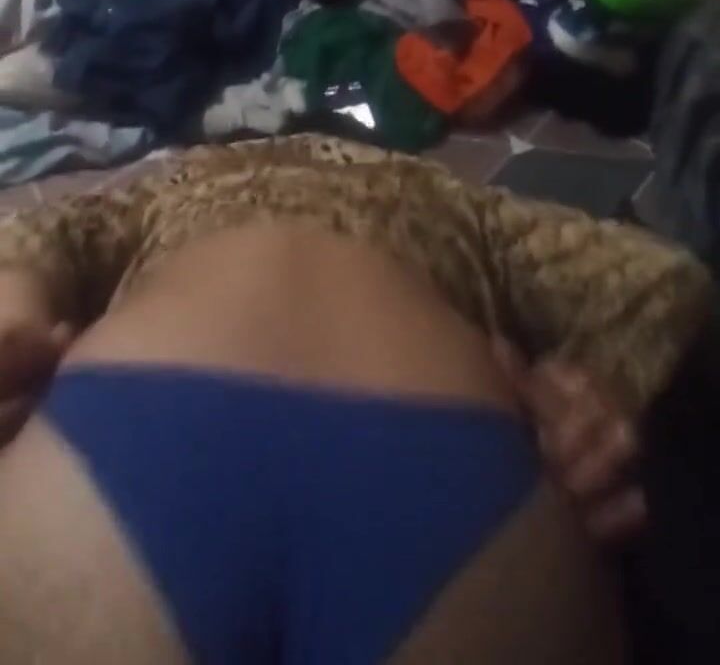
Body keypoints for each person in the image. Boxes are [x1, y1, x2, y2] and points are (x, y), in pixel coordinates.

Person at [0, 134, 711, 663]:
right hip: (443, 465)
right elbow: (663, 279)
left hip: (138, 424)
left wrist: (17, 304)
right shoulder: (460, 199)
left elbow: (37, 231)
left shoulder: (177, 182)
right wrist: (600, 387)